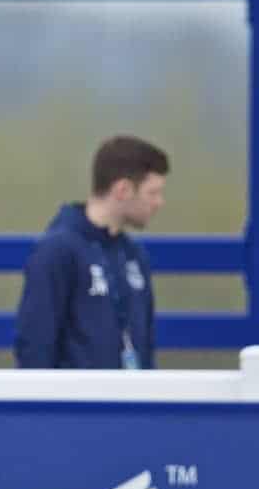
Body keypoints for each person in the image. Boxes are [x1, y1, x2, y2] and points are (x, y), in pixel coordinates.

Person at [14, 135, 169, 369]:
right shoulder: (57, 251)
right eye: (153, 193)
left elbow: (146, 346)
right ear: (123, 189)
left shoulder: (135, 256)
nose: (160, 203)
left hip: (130, 401)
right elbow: (35, 347)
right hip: (75, 403)